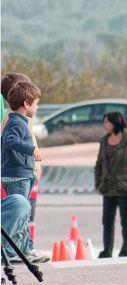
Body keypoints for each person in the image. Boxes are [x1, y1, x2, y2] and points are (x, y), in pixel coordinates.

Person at [1, 81, 49, 263]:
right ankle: (13, 251)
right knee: (20, 214)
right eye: (36, 103)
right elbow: (10, 141)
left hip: (22, 174)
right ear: (26, 103)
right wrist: (30, 149)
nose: (37, 107)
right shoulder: (16, 122)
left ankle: (25, 249)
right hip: (17, 175)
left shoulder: (20, 121)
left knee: (25, 213)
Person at [94, 112, 127, 258]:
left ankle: (125, 250)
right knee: (107, 221)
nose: (105, 125)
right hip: (107, 188)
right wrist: (98, 183)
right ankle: (107, 251)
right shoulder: (103, 140)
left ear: (116, 122)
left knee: (126, 221)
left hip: (124, 188)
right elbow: (98, 164)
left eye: (107, 122)